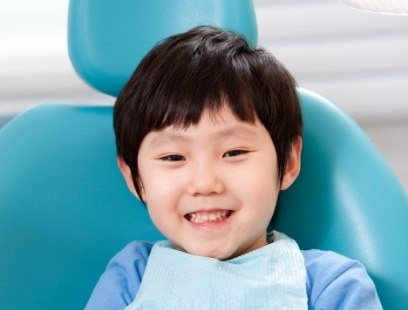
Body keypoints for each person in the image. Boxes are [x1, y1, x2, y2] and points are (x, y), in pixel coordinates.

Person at [86, 26, 382, 309]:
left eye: (234, 152)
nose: (204, 183)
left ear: (288, 162)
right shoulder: (131, 276)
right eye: (173, 157)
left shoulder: (330, 285)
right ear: (134, 177)